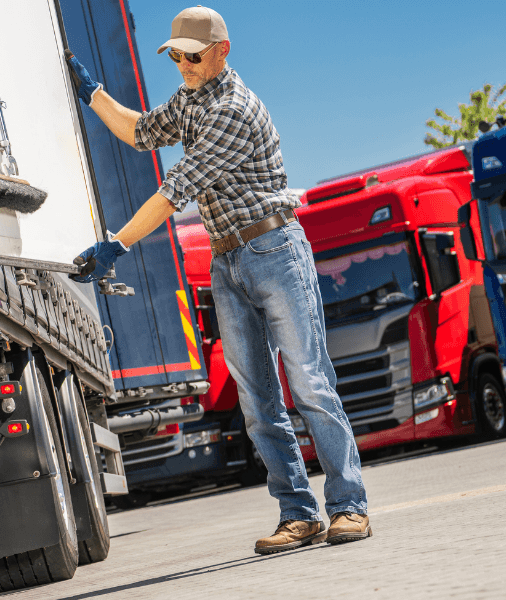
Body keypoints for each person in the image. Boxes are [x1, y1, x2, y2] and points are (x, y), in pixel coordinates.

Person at [65, 5, 371, 554]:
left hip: (274, 250)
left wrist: (117, 243)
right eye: (175, 54)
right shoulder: (190, 101)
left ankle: (349, 507)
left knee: (308, 383)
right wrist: (90, 91)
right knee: (257, 400)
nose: (181, 62)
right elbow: (139, 132)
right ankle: (298, 514)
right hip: (228, 261)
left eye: (192, 54)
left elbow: (174, 188)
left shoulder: (233, 109)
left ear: (222, 51)